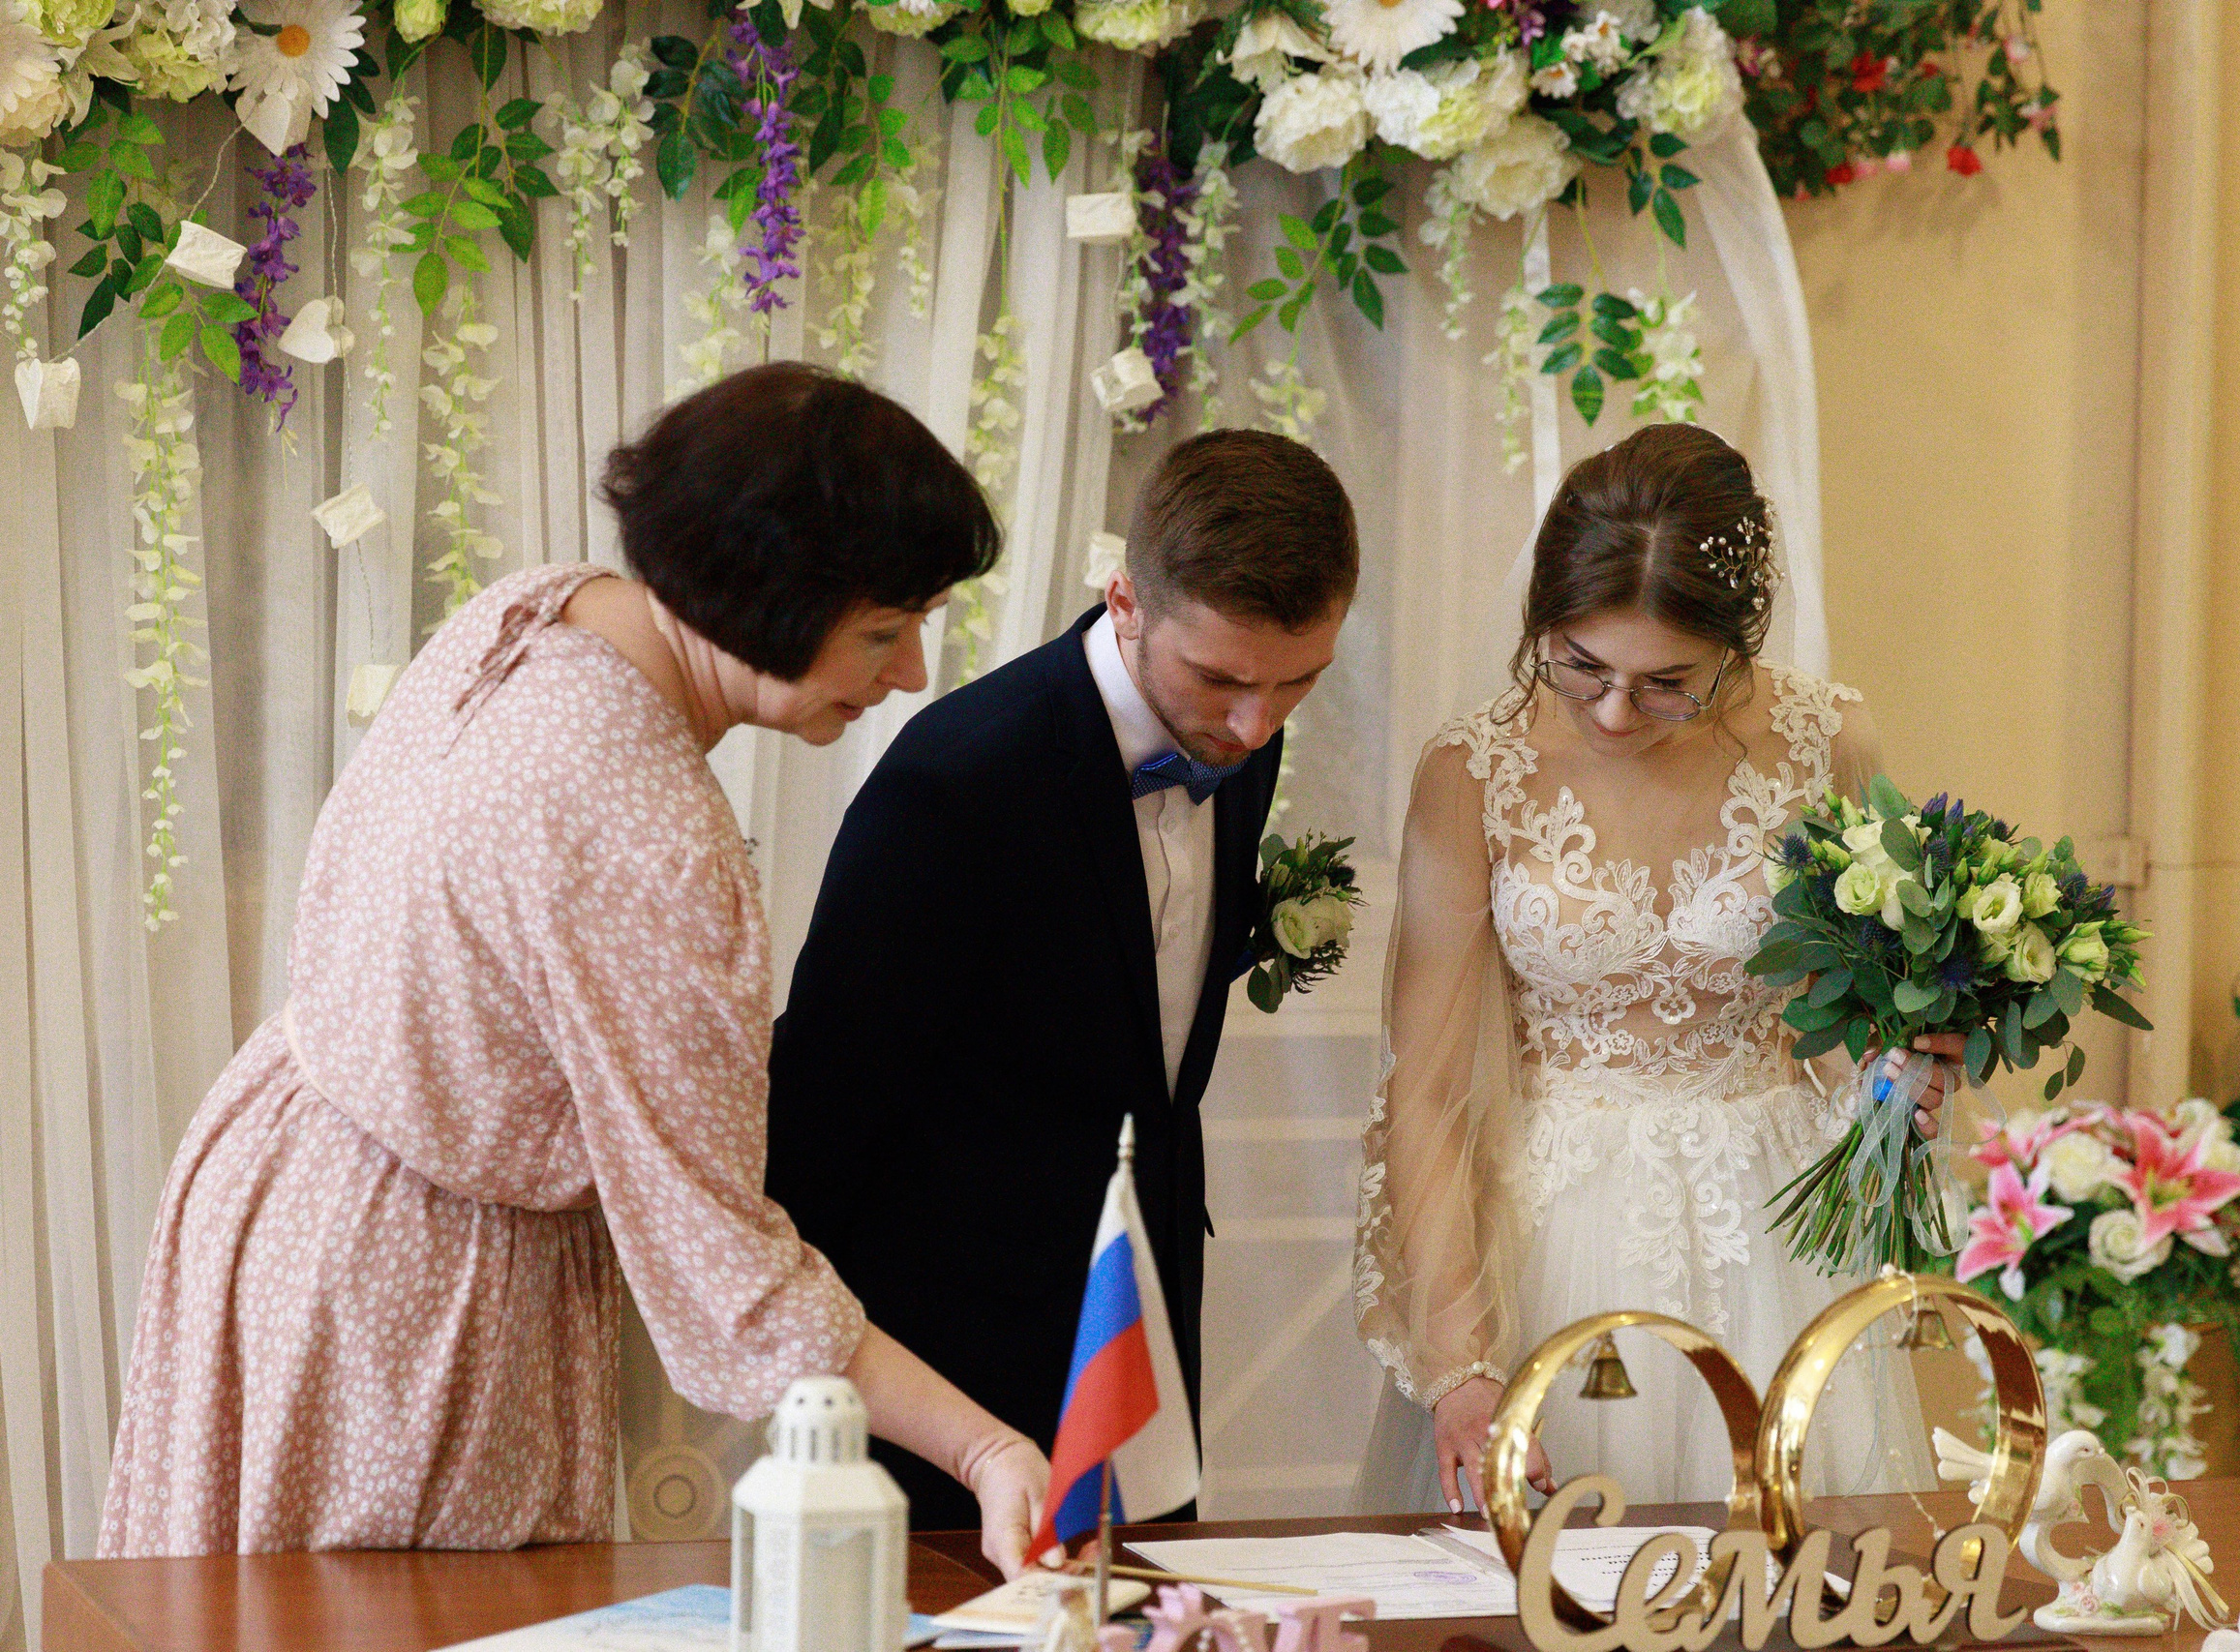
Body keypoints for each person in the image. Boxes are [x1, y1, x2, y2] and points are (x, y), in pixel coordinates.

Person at [100, 365, 1050, 1573]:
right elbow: (729, 1278)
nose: (910, 672)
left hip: (275, 1173)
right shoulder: (654, 836)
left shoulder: (540, 610)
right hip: (408, 1283)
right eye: (884, 630)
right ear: (762, 598)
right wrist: (983, 1450)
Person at [1351, 423, 1958, 1515]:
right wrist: (1459, 1363)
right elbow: (1429, 1091)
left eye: (1666, 682)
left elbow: (1863, 1021)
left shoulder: (1828, 741)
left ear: (1734, 646)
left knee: (1792, 1579)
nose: (1617, 712)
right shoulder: (1473, 770)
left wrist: (1903, 1073)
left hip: (1769, 1228)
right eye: (1580, 668)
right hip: (1551, 1235)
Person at [767, 429, 1359, 1530]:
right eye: (1221, 678)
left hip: (1144, 1328)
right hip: (947, 1366)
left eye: (1296, 683)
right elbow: (818, 1124)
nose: (1254, 723)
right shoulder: (955, 782)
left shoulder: (1244, 737)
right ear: (1124, 599)